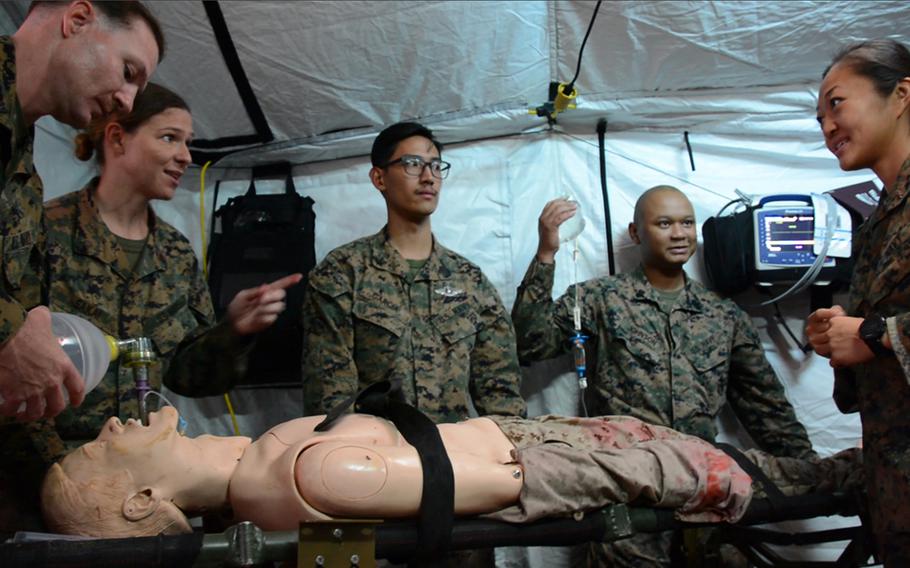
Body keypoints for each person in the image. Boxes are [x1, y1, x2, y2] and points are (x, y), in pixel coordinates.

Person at [3, 82, 301, 533]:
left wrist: (233, 330)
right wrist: (62, 481)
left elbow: (188, 376)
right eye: (169, 138)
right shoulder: (46, 231)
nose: (185, 155)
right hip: (37, 481)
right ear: (117, 137)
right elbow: (9, 357)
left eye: (187, 142)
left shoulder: (175, 254)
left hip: (137, 493)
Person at [511, 185, 817, 565]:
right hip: (627, 494)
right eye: (664, 223)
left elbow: (765, 406)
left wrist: (811, 473)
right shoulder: (600, 299)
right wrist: (546, 254)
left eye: (687, 223)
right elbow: (528, 343)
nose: (679, 233)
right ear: (636, 232)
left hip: (702, 491)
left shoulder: (721, 314)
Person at [41, 406, 861, 542]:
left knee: (781, 467)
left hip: (549, 442)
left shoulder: (272, 469)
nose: (108, 425)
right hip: (555, 456)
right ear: (145, 499)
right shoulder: (313, 473)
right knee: (769, 474)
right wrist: (642, 465)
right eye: (98, 451)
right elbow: (510, 484)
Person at [0, 1, 164, 423]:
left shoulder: (23, 176)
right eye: (128, 73)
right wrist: (10, 330)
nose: (128, 103)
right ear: (77, 20)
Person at [302, 121, 526, 423]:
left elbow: (501, 394)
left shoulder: (468, 280)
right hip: (375, 458)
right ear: (379, 178)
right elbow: (330, 396)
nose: (428, 177)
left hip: (454, 458)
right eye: (412, 164)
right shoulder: (343, 273)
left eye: (435, 166)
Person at [806, 39, 910, 567]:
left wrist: (874, 335)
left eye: (837, 104)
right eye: (819, 116)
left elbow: (883, 335)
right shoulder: (873, 228)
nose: (826, 127)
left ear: (901, 95)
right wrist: (842, 336)